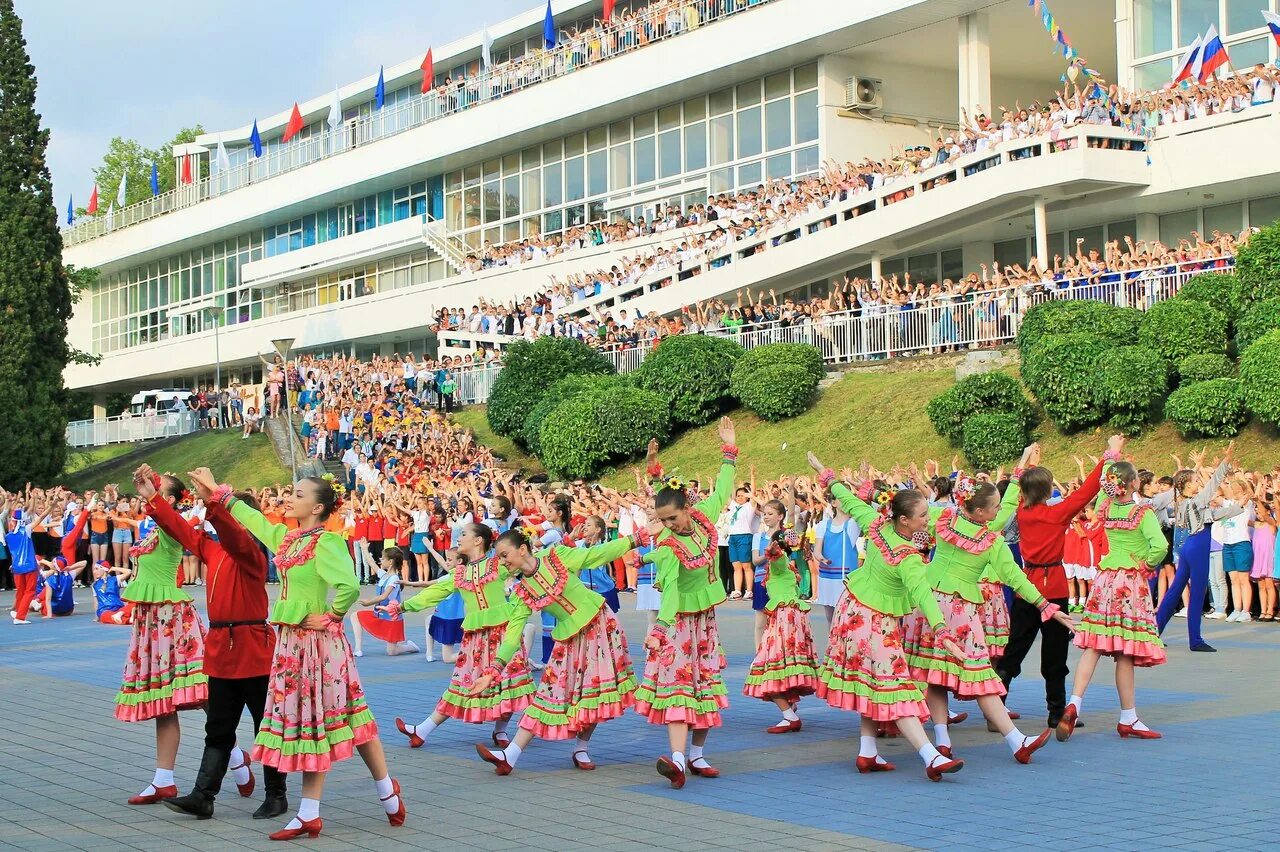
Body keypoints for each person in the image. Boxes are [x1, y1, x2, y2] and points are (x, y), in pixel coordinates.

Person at [198, 470, 404, 841]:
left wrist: (333, 616)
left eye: (297, 494)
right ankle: (363, 798)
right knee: (332, 722)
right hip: (292, 643)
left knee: (335, 720)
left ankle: (368, 794)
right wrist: (219, 492)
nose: (288, 498)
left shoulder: (327, 542)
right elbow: (254, 519)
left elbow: (348, 585)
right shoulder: (287, 538)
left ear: (318, 506)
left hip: (318, 644)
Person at [133, 465, 287, 822]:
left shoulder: (251, 553)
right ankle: (203, 797)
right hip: (222, 648)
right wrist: (153, 498)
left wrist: (217, 500)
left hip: (252, 649)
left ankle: (276, 795)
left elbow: (233, 535)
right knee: (217, 728)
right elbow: (179, 528)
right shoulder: (214, 551)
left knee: (266, 726)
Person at [805, 452, 967, 781]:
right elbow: (922, 594)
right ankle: (931, 756)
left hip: (852, 611)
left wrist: (826, 473)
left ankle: (867, 751)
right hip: (873, 622)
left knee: (873, 682)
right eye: (922, 515)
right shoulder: (907, 557)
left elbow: (848, 500)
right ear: (904, 520)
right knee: (897, 686)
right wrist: (943, 633)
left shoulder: (876, 525)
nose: (928, 519)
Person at [902, 466, 1073, 765]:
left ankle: (942, 740)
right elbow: (1016, 577)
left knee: (934, 674)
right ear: (980, 511)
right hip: (959, 612)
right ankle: (1015, 740)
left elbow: (910, 527)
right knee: (982, 678)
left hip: (927, 605)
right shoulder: (990, 542)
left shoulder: (944, 520)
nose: (999, 512)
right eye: (994, 508)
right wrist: (1046, 606)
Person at [472, 525, 645, 774]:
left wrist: (635, 539)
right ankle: (510, 755)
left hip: (599, 626)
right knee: (547, 692)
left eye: (504, 555)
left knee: (593, 691)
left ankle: (581, 748)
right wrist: (493, 670)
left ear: (522, 549)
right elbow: (512, 635)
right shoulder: (522, 592)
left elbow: (595, 555)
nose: (501, 562)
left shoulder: (556, 557)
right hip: (568, 639)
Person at [633, 419, 738, 789]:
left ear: (688, 510)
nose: (669, 525)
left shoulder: (706, 519)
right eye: (661, 521)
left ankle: (696, 754)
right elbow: (672, 590)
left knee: (704, 684)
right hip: (677, 624)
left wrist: (728, 450)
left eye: (673, 518)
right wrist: (660, 630)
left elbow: (724, 488)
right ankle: (677, 759)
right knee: (680, 685)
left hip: (704, 622)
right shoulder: (667, 545)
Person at [997, 436, 1123, 728]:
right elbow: (1088, 491)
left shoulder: (1021, 511)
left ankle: (997, 706)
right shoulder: (1057, 514)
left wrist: (1028, 464)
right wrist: (1110, 455)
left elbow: (1014, 488)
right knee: (1055, 653)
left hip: (1026, 584)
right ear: (1048, 490)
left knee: (1014, 648)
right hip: (1053, 586)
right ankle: (1055, 711)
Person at [391, 523, 535, 750]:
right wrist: (403, 607)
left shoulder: (499, 564)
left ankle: (500, 730)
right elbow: (434, 593)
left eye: (464, 534)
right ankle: (422, 730)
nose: (459, 537)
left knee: (507, 684)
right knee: (461, 684)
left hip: (503, 633)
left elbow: (527, 565)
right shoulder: (460, 573)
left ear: (478, 540)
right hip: (476, 639)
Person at [112, 473, 209, 806]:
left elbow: (163, 518)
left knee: (202, 695)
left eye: (155, 485)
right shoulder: (152, 527)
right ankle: (163, 780)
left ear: (167, 500)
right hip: (151, 622)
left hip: (172, 620)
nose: (146, 489)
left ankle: (236, 758)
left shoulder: (172, 525)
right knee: (164, 702)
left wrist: (152, 498)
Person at [1057, 459, 1169, 742]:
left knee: (1094, 645)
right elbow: (1161, 546)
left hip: (1105, 579)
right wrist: (1147, 564)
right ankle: (1128, 716)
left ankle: (1075, 703)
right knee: (1125, 651)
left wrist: (1111, 455)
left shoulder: (1106, 508)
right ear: (1134, 483)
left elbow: (1105, 490)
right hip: (1130, 582)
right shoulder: (1142, 512)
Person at [1154, 447, 1239, 652]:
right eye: (1195, 480)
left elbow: (1213, 515)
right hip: (1198, 547)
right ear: (1189, 484)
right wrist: (1225, 461)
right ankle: (1195, 640)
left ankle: (1154, 633)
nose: (1198, 483)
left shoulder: (1184, 502)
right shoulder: (1196, 501)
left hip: (1189, 547)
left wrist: (1239, 507)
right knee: (1198, 593)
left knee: (1175, 592)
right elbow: (1213, 485)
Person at [742, 527, 819, 732]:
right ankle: (790, 708)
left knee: (767, 665)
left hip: (784, 618)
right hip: (793, 618)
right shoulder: (787, 564)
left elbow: (772, 555)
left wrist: (774, 549)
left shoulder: (778, 561)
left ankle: (789, 715)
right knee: (785, 664)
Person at [351, 546, 420, 657]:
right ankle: (358, 648)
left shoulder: (394, 579)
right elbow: (371, 563)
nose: (380, 560)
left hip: (391, 618)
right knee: (355, 616)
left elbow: (384, 596)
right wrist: (364, 549)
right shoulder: (384, 575)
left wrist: (368, 602)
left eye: (383, 558)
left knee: (392, 652)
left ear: (391, 561)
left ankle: (410, 647)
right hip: (379, 615)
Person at [813, 492, 860, 624]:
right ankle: (832, 644)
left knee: (846, 616)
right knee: (830, 616)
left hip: (846, 577)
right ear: (833, 503)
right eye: (841, 499)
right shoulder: (823, 525)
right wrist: (821, 558)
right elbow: (817, 550)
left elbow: (863, 509)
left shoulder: (853, 525)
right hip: (828, 575)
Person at [92, 559, 135, 624]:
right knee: (104, 617)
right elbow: (96, 601)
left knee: (134, 603)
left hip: (119, 608)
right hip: (105, 610)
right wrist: (96, 617)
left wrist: (113, 568)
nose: (94, 571)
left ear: (104, 569)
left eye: (96, 569)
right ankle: (129, 619)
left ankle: (120, 614)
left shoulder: (115, 579)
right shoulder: (95, 585)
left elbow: (128, 571)